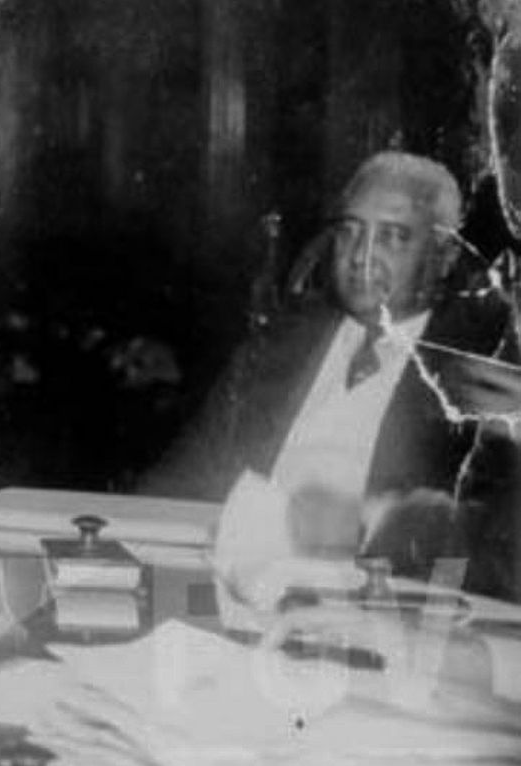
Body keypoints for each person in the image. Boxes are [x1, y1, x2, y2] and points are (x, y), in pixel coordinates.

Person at [143, 151, 521, 599]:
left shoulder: (480, 367)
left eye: (393, 237)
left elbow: (484, 552)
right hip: (234, 587)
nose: (362, 256)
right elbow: (184, 478)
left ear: (444, 256)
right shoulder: (281, 341)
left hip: (377, 605)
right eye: (350, 231)